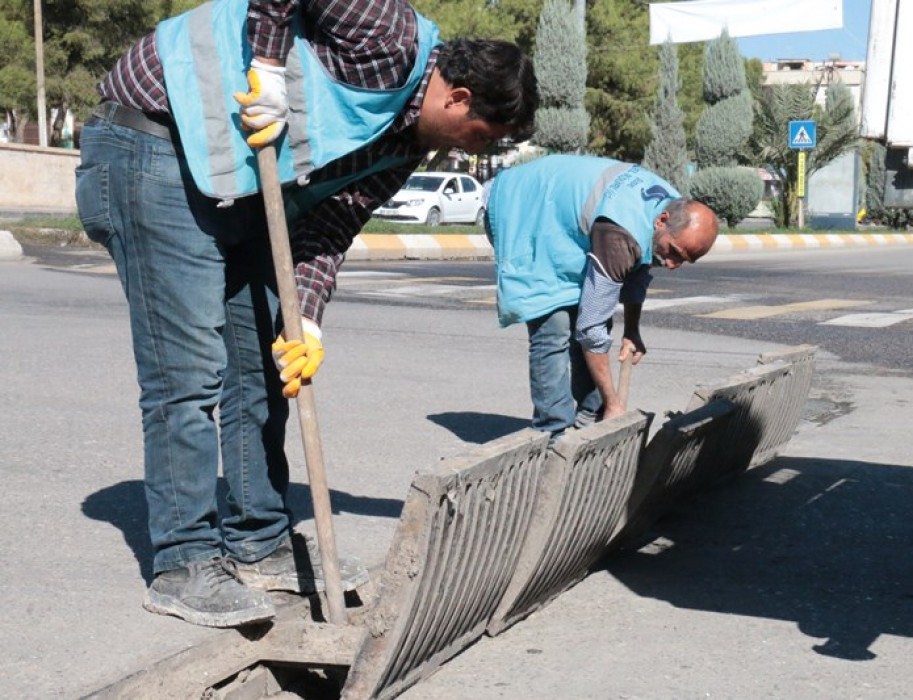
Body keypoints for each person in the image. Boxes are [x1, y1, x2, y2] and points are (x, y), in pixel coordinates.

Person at [75, 0, 537, 629]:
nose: (473, 151)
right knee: (188, 376)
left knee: (265, 372)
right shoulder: (389, 32)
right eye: (482, 137)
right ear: (458, 98)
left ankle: (258, 541)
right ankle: (182, 562)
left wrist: (308, 320)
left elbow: (329, 225)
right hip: (152, 143)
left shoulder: (404, 148)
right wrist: (265, 67)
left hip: (233, 182)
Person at [485, 155, 718, 435]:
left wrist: (632, 330)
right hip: (525, 207)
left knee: (587, 316)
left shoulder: (671, 209)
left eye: (684, 260)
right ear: (662, 221)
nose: (671, 265)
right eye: (674, 253)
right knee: (554, 325)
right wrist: (614, 401)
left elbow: (636, 272)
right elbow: (592, 326)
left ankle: (591, 420)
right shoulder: (621, 231)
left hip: (565, 216)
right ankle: (553, 434)